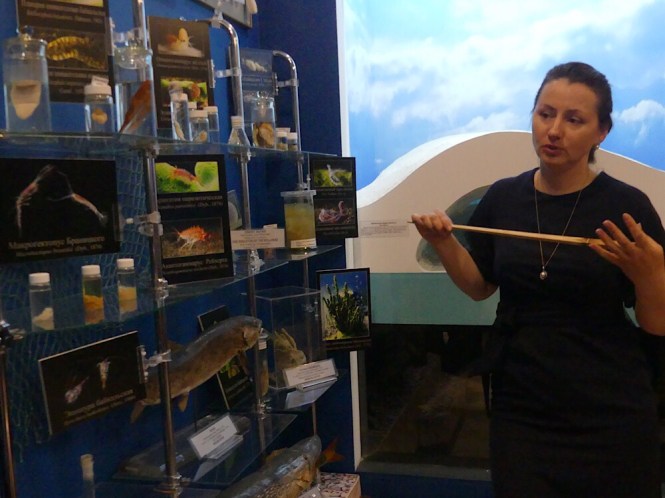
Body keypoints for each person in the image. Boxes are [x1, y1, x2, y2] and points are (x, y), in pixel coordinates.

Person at [411, 62, 665, 498]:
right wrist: (444, 243)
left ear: (602, 132)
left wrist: (652, 274)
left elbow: (657, 324)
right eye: (545, 114)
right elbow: (479, 287)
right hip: (522, 406)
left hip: (611, 407)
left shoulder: (626, 206)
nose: (554, 131)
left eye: (574, 120)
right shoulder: (504, 197)